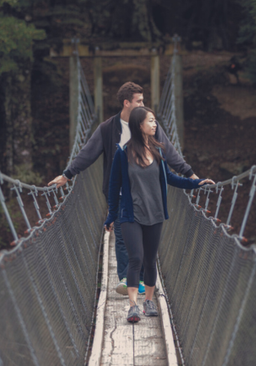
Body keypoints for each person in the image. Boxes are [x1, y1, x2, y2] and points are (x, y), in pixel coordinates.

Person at [48, 81, 199, 295]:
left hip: (148, 194)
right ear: (127, 103)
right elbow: (88, 153)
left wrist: (191, 174)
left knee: (146, 243)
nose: (143, 104)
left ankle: (141, 280)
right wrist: (67, 174)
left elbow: (170, 153)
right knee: (121, 235)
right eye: (139, 101)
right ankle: (127, 278)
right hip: (120, 193)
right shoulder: (108, 128)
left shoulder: (150, 125)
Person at [104, 106, 214, 323]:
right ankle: (133, 306)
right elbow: (113, 186)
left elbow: (171, 178)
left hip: (155, 214)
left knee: (150, 259)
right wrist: (111, 216)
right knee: (136, 258)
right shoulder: (122, 153)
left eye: (155, 121)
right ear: (139, 125)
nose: (155, 125)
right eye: (151, 121)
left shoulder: (158, 151)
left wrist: (195, 183)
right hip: (130, 215)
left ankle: (149, 301)